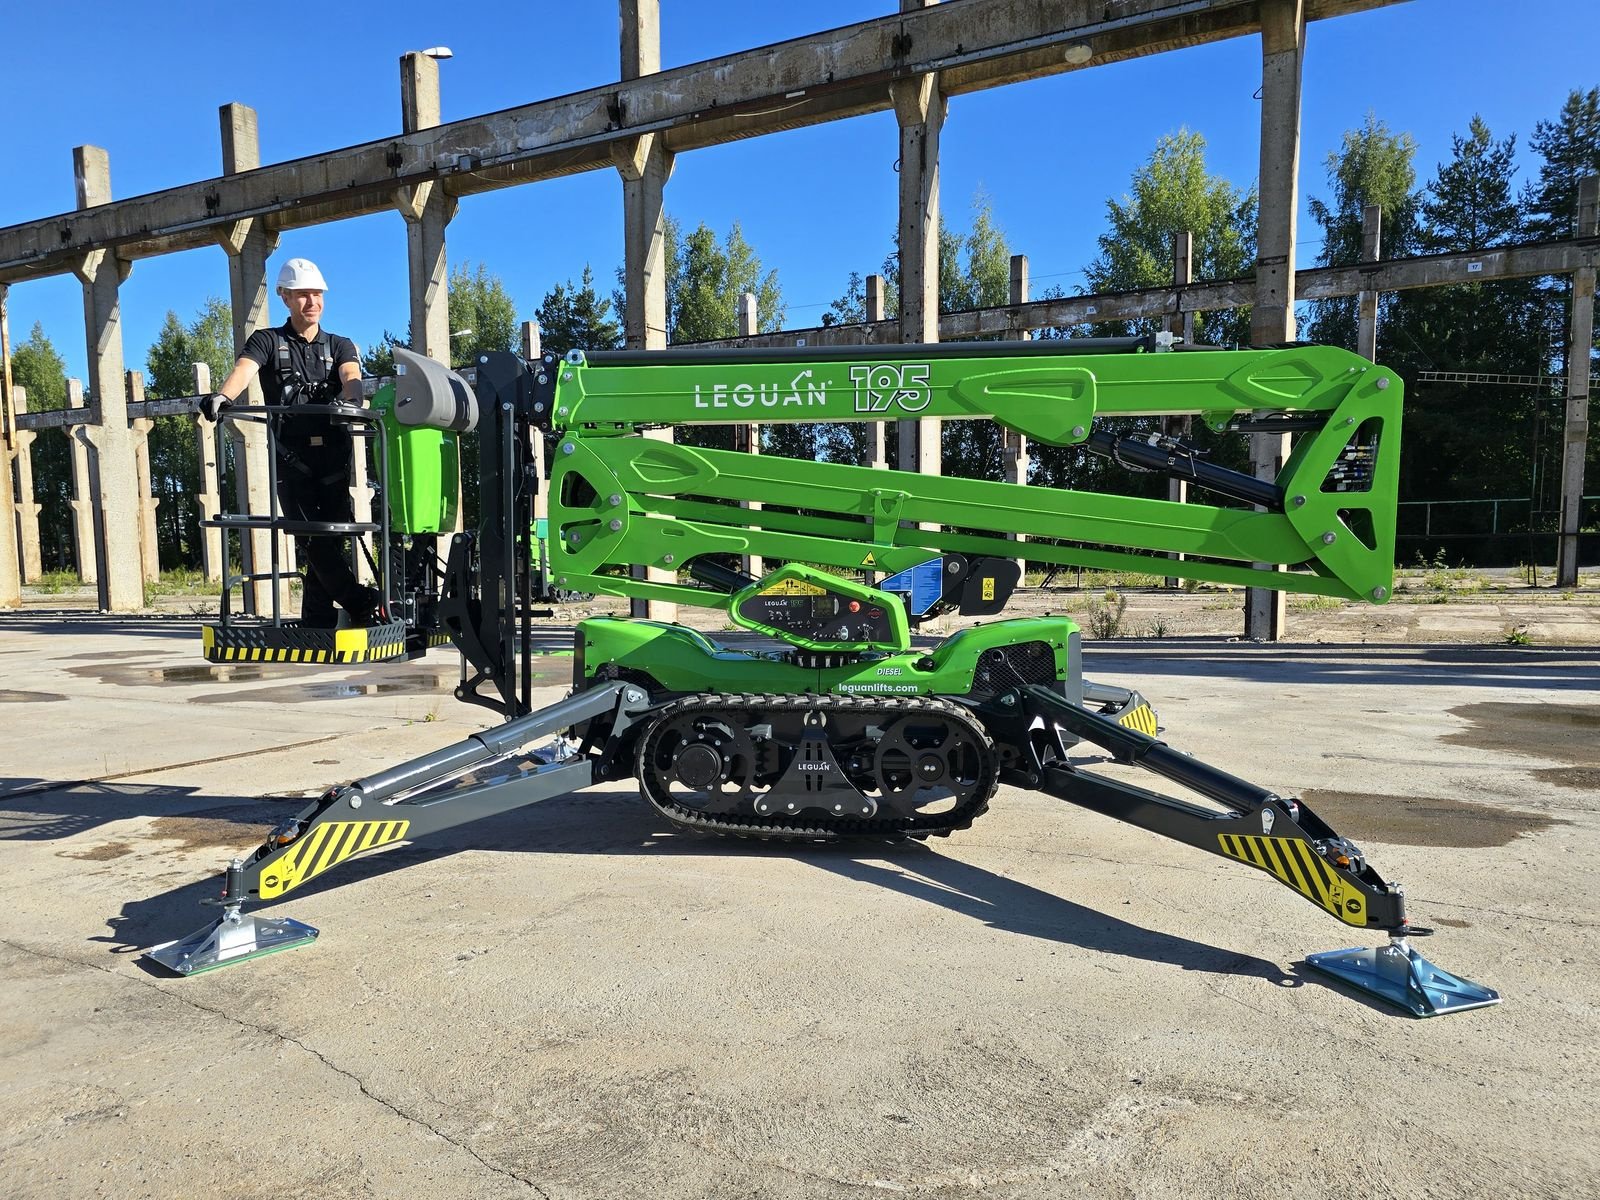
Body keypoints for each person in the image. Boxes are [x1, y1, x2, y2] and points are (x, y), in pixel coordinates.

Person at [200, 257, 384, 628]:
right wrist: (222, 397)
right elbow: (244, 370)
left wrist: (352, 400)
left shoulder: (341, 345)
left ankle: (316, 617)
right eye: (302, 295)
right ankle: (361, 602)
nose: (312, 302)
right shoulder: (268, 341)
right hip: (291, 460)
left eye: (317, 294)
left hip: (334, 458)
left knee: (330, 540)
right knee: (312, 539)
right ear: (284, 297)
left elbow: (352, 379)